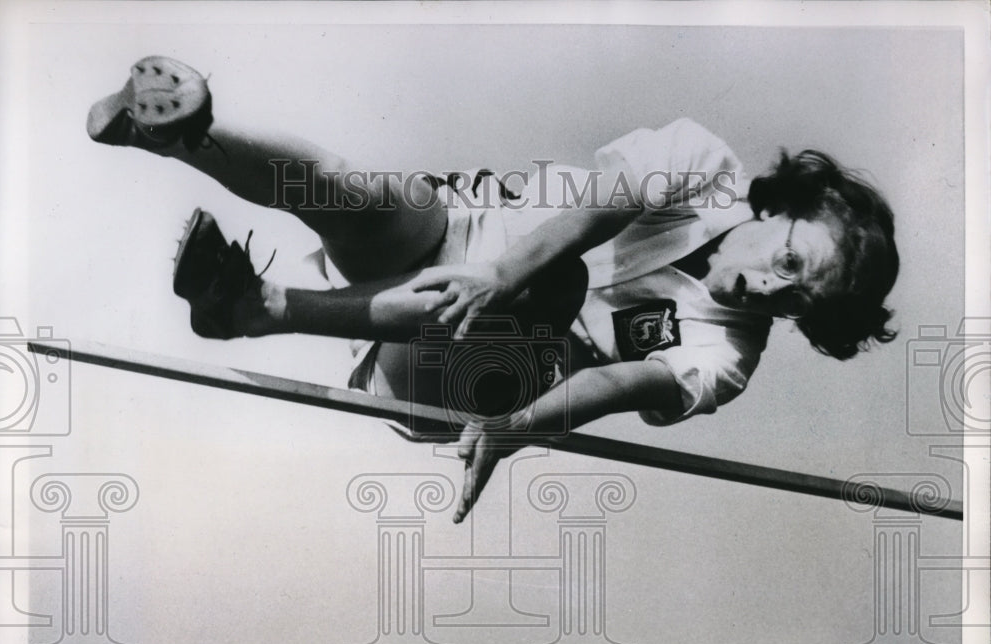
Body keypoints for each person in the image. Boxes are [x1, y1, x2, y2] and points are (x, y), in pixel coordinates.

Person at [87, 56, 900, 523]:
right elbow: (601, 204)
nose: (767, 287)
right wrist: (498, 268)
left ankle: (263, 310)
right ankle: (181, 133)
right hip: (472, 240)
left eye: (797, 302)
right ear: (788, 206)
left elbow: (619, 381)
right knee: (365, 194)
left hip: (479, 374)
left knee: (541, 295)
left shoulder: (726, 357)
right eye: (789, 260)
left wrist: (515, 428)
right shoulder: (705, 163)